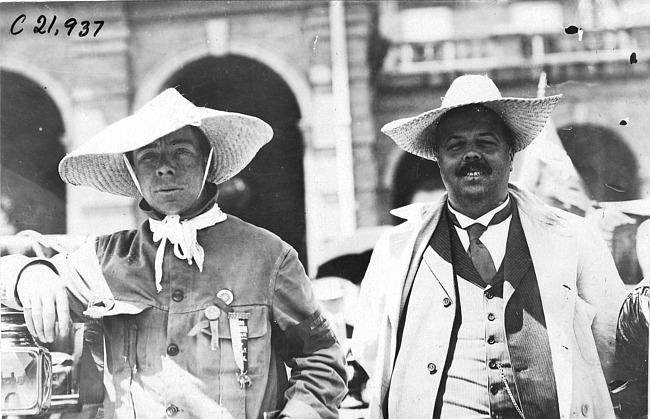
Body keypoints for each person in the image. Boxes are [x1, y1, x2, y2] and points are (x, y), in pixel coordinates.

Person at [1, 89, 347, 419]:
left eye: (180, 151)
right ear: (133, 173)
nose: (163, 168)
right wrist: (27, 273)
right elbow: (9, 257)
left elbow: (321, 358)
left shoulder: (268, 257)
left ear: (207, 162)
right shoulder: (103, 259)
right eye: (148, 156)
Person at [352, 75, 628, 419]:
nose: (471, 155)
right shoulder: (396, 251)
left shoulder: (573, 238)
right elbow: (370, 350)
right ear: (438, 160)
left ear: (512, 155)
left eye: (486, 142)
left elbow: (615, 342)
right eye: (455, 146)